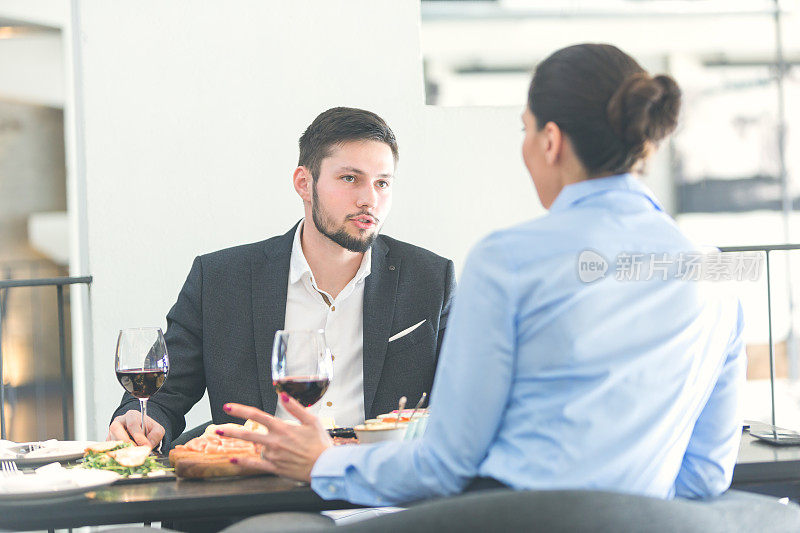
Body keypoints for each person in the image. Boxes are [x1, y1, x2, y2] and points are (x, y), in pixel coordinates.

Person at [218, 44, 746, 506]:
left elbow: (444, 467)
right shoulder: (715, 271)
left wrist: (321, 462)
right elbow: (705, 477)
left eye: (525, 129)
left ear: (550, 142)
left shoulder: (509, 260)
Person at [108, 107, 456, 451]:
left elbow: (462, 401)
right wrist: (142, 418)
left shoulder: (429, 279)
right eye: (350, 178)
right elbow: (164, 393)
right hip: (257, 484)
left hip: (380, 486)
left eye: (382, 183)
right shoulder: (220, 279)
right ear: (304, 184)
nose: (370, 199)